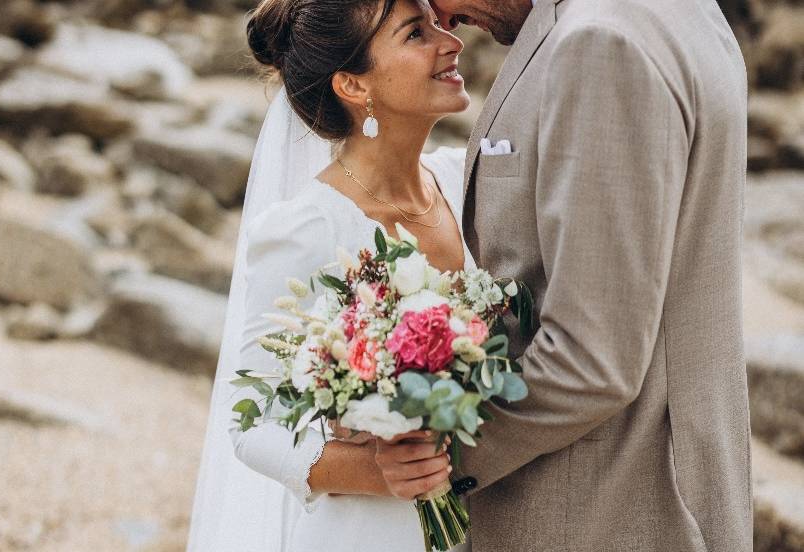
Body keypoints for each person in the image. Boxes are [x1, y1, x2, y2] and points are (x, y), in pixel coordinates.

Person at [408, 0, 749, 550]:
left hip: (599, 510)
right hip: (677, 485)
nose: (440, 17)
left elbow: (593, 359)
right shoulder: (687, 10)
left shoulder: (600, 42)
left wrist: (430, 455)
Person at [187, 1, 476, 550]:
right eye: (417, 33)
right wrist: (375, 470)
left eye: (439, 23)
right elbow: (252, 427)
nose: (451, 42)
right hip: (372, 533)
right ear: (353, 84)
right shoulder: (307, 228)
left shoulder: (464, 180)